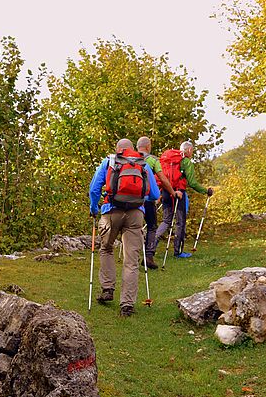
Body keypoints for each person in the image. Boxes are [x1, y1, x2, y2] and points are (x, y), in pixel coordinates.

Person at [89, 138, 160, 317]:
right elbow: (155, 194)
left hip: (111, 210)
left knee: (106, 248)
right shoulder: (143, 164)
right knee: (131, 260)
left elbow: (94, 189)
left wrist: (94, 208)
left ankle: (107, 289)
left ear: (118, 149)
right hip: (135, 214)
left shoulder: (110, 161)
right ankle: (127, 305)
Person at [155, 140, 213, 258]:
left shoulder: (168, 160)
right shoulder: (186, 162)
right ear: (189, 150)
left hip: (166, 191)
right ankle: (178, 252)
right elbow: (192, 182)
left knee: (166, 220)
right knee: (180, 222)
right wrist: (205, 191)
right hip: (179, 193)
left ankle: (151, 246)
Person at [136, 136, 178, 269]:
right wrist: (172, 192)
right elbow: (163, 179)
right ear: (148, 146)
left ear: (137, 147)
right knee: (152, 226)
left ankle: (132, 255)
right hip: (147, 199)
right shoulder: (153, 160)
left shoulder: (130, 158)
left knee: (133, 227)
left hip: (132, 200)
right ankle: (148, 256)